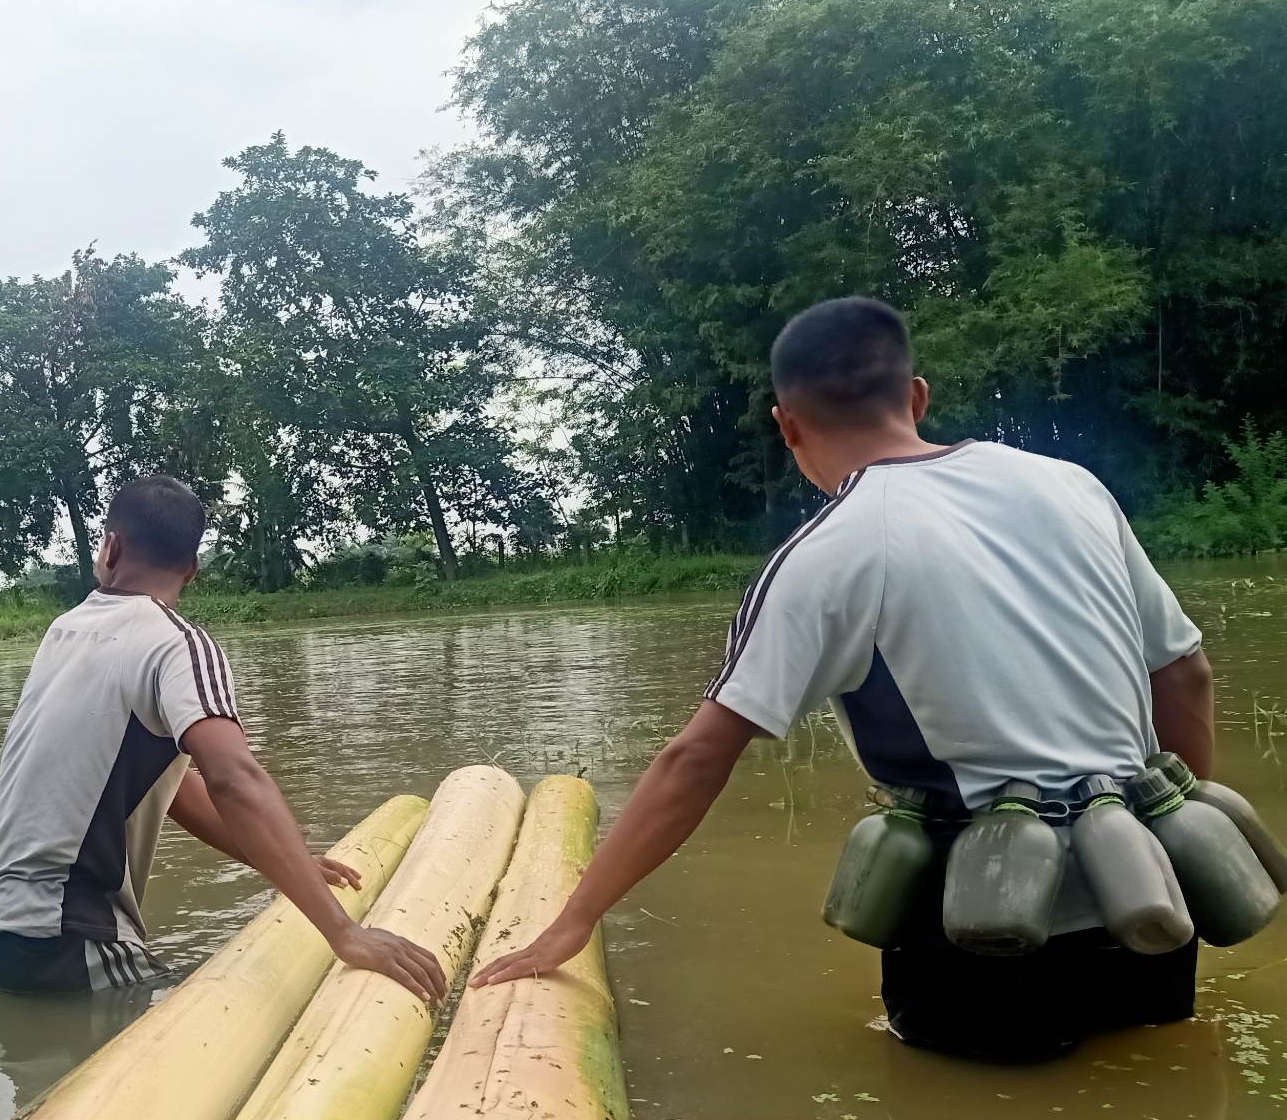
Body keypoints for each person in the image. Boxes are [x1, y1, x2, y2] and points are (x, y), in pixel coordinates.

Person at [476, 297, 1218, 1060]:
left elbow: (697, 759)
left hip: (985, 937)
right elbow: (1186, 674)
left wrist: (571, 923)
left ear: (787, 425)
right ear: (918, 395)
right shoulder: (1072, 486)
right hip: (1152, 913)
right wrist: (1174, 844)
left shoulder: (828, 553)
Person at [0, 474, 445, 1002]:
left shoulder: (64, 632)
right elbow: (232, 777)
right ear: (192, 569)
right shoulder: (177, 644)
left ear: (111, 546)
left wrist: (290, 862)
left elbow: (169, 786)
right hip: (68, 942)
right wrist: (345, 933)